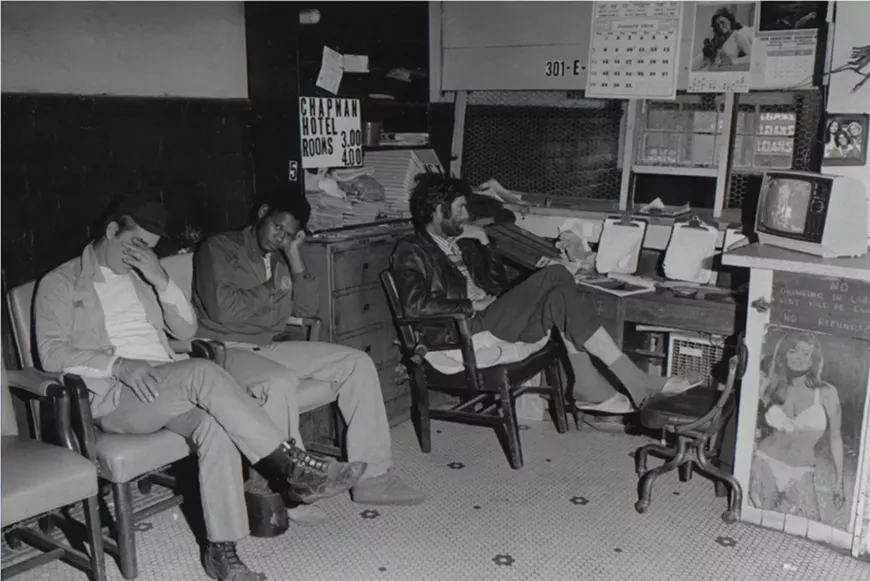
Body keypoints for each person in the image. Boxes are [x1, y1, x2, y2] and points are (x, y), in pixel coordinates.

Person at [35, 199, 366, 581]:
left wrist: (160, 280)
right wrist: (119, 365)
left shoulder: (142, 276)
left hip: (166, 384)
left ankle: (222, 553)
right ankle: (291, 465)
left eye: (149, 247)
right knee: (205, 373)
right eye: (135, 244)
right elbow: (50, 354)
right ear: (111, 232)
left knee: (216, 428)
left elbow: (186, 331)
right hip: (116, 396)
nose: (142, 254)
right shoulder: (60, 282)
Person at [192, 189, 426, 525]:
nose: (281, 238)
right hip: (225, 350)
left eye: (289, 234)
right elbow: (222, 309)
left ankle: (373, 479)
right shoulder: (218, 248)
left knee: (355, 363)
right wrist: (274, 292)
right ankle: (294, 488)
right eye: (278, 229)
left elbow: (305, 309)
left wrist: (295, 256)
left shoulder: (278, 259)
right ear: (262, 212)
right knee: (280, 381)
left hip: (267, 346)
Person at [390, 172, 700, 415]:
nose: (467, 214)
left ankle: (591, 385)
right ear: (436, 211)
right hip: (461, 329)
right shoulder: (412, 249)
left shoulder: (463, 242)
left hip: (493, 317)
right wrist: (472, 304)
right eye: (459, 208)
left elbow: (496, 284)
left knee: (559, 296)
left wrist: (484, 243)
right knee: (556, 275)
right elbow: (415, 306)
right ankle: (632, 381)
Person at [750, 332, 845, 521]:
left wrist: (839, 480)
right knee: (762, 521)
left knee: (811, 525)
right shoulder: (771, 386)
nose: (798, 358)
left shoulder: (827, 393)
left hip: (803, 468)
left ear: (813, 361)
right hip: (765, 460)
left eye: (806, 353)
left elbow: (836, 437)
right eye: (793, 351)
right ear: (783, 355)